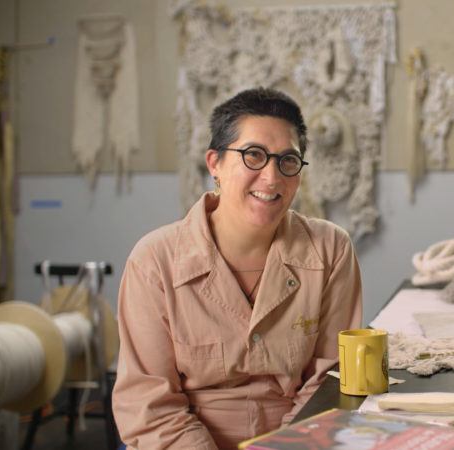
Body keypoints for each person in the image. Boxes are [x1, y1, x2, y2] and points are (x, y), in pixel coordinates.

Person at [112, 88, 363, 449]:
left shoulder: (330, 249)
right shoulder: (155, 260)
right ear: (215, 163)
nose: (272, 178)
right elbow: (149, 405)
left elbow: (329, 380)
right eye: (254, 156)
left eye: (287, 161)